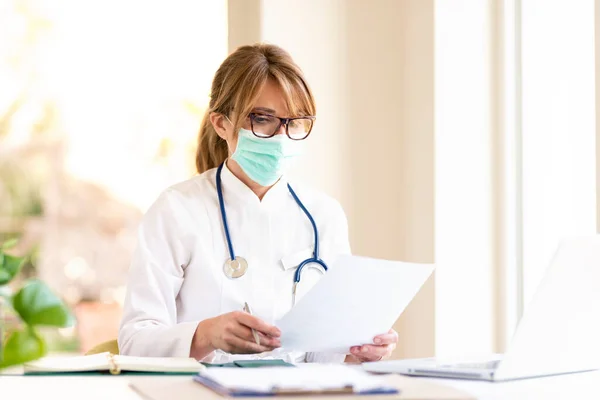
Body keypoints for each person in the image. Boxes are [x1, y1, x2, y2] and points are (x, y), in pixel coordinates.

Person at [118, 43, 398, 364]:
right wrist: (206, 334)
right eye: (262, 119)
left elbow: (325, 353)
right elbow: (135, 340)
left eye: (294, 122)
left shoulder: (323, 215)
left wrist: (359, 349)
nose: (280, 137)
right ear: (222, 123)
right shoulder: (177, 210)